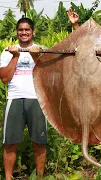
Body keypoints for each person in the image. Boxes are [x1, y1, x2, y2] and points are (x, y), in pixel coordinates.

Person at [0, 18, 46, 180]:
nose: (24, 32)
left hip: (37, 99)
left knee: (39, 141)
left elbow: (46, 77)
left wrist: (35, 58)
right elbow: (5, 78)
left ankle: (40, 177)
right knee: (10, 142)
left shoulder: (42, 50)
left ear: (33, 31)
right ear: (17, 32)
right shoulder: (7, 51)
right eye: (21, 30)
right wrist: (15, 57)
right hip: (15, 98)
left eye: (27, 30)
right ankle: (7, 177)